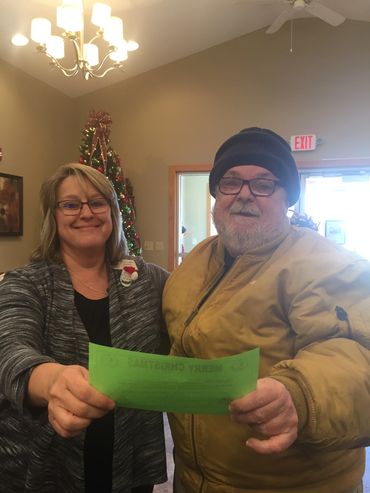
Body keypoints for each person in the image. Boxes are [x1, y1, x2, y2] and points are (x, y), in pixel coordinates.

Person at [162, 127, 370, 493]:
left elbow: (354, 355)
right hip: (192, 478)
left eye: (263, 184)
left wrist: (300, 396)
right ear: (216, 195)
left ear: (287, 196)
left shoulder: (324, 263)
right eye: (231, 182)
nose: (244, 194)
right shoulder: (195, 262)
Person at [0, 163, 168, 493]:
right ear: (53, 216)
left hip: (131, 463)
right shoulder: (26, 283)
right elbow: (10, 350)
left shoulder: (148, 280)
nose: (86, 213)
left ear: (112, 211)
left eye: (97, 202)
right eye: (71, 204)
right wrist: (52, 381)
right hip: (45, 467)